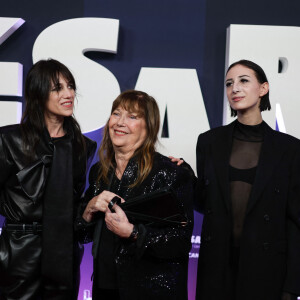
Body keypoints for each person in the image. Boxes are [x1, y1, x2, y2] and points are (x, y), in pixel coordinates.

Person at [194, 59, 300, 300]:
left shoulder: (290, 149)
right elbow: (204, 201)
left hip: (267, 270)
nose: (235, 89)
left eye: (243, 81)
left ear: (263, 88)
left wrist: (292, 286)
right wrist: (179, 175)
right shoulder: (209, 142)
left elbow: (295, 222)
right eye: (229, 83)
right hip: (216, 268)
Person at [77, 90, 194, 300]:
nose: (120, 122)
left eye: (132, 117)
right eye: (116, 114)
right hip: (104, 289)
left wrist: (133, 232)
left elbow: (181, 242)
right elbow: (82, 234)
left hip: (149, 291)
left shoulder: (169, 172)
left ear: (149, 127)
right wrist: (89, 208)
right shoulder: (99, 172)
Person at [0, 59, 96, 299]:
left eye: (70, 86)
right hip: (18, 253)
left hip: (64, 254)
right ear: (38, 94)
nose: (68, 94)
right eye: (57, 88)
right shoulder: (8, 140)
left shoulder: (83, 146)